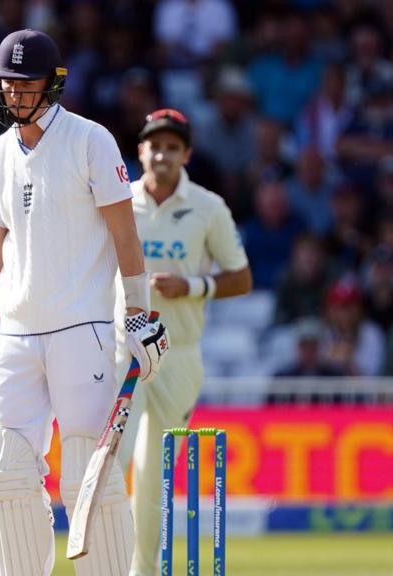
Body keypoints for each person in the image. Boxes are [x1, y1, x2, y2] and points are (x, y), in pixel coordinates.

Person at [0, 29, 169, 576]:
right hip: (18, 336)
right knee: (5, 473)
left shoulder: (89, 140)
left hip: (83, 328)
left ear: (53, 85)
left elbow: (126, 237)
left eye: (26, 85)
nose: (15, 95)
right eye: (7, 84)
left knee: (84, 471)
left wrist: (138, 315)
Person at [114, 109, 251, 576]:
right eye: (155, 145)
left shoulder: (208, 206)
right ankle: (103, 567)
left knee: (154, 477)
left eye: (173, 147)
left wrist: (192, 287)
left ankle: (144, 572)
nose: (162, 154)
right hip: (123, 351)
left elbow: (241, 276)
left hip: (179, 353)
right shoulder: (118, 201)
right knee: (110, 463)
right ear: (140, 151)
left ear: (187, 154)